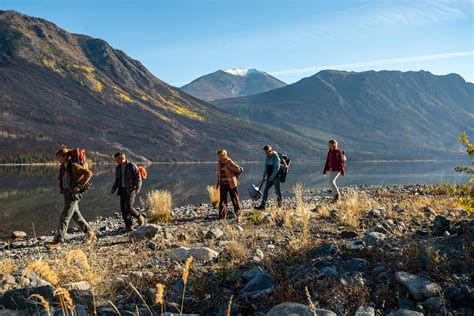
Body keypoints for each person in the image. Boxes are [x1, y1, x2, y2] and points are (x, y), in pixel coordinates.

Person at [46, 148, 96, 249]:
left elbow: (88, 173)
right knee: (75, 216)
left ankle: (58, 241)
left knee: (64, 216)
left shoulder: (73, 166)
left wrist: (80, 186)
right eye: (58, 157)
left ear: (65, 157)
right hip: (66, 193)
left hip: (73, 195)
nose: (58, 159)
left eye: (59, 157)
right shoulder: (63, 167)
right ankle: (90, 233)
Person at [111, 152, 145, 232]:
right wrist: (113, 189)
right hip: (122, 190)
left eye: (117, 160)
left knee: (128, 207)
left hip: (131, 189)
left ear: (121, 158)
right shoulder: (118, 168)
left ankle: (140, 217)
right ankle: (129, 226)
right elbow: (117, 180)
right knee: (123, 209)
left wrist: (138, 186)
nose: (116, 161)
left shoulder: (131, 165)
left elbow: (138, 177)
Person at [215, 149, 243, 220]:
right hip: (222, 183)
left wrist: (229, 167)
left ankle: (238, 214)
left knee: (235, 199)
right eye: (218, 156)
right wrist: (218, 183)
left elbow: (238, 169)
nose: (219, 157)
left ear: (224, 155)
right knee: (222, 200)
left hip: (231, 183)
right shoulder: (219, 163)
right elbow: (219, 174)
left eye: (221, 155)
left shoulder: (229, 161)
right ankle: (222, 216)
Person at [255, 145, 281, 210]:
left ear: (270, 151)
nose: (266, 154)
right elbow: (266, 168)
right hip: (269, 177)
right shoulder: (267, 157)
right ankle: (262, 206)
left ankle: (280, 205)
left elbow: (277, 167)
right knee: (265, 190)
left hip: (275, 177)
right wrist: (263, 177)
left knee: (277, 191)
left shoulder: (275, 156)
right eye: (265, 152)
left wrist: (272, 176)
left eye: (267, 152)